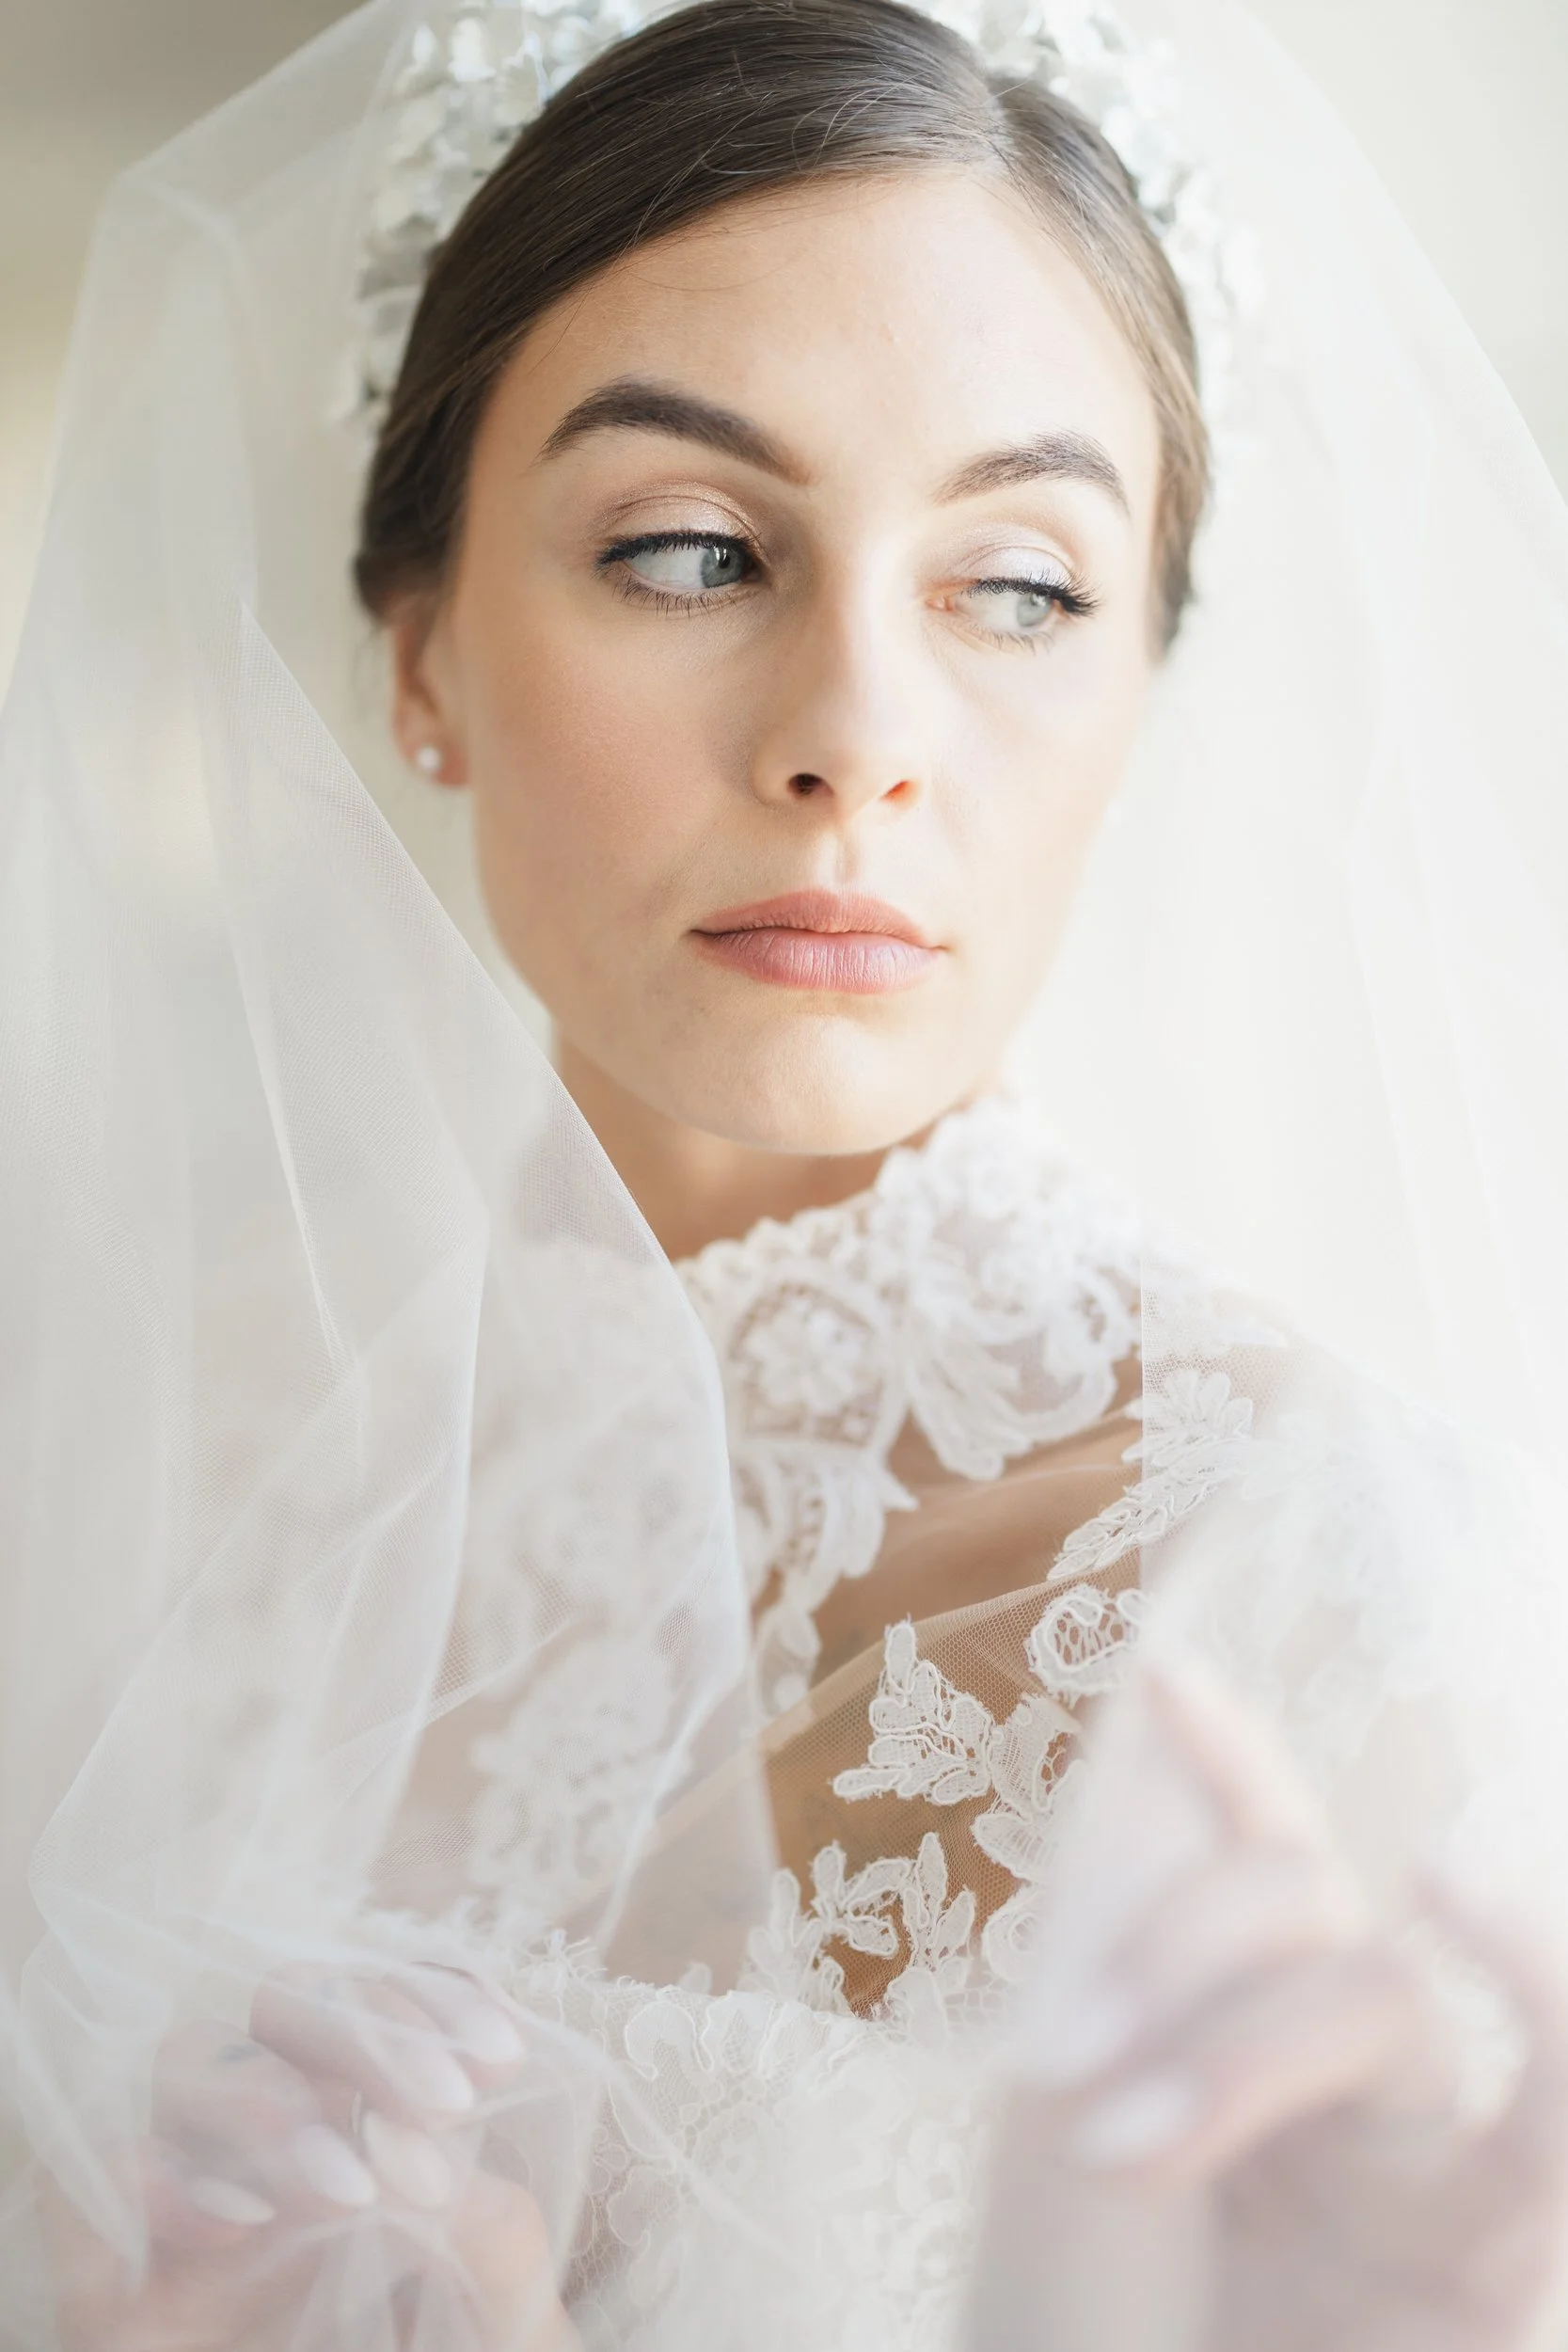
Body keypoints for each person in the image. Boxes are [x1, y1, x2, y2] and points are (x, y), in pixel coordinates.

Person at [5, 0, 1568, 2344]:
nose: (855, 729)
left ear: (1138, 676)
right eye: (690, 548)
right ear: (418, 641)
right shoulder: (159, 1469)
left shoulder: (1322, 1583)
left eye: (1016, 584)